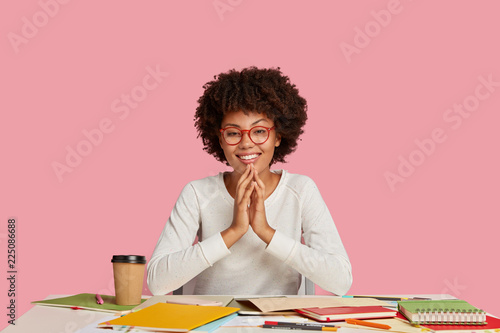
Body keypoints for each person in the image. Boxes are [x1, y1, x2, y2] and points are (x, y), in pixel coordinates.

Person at [147, 67, 352, 295]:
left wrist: (266, 232)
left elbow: (341, 281)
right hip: (210, 323)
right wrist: (234, 231)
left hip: (277, 325)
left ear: (278, 137)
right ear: (220, 139)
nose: (246, 143)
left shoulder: (301, 190)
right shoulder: (197, 193)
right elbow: (157, 283)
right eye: (234, 133)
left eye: (259, 131)